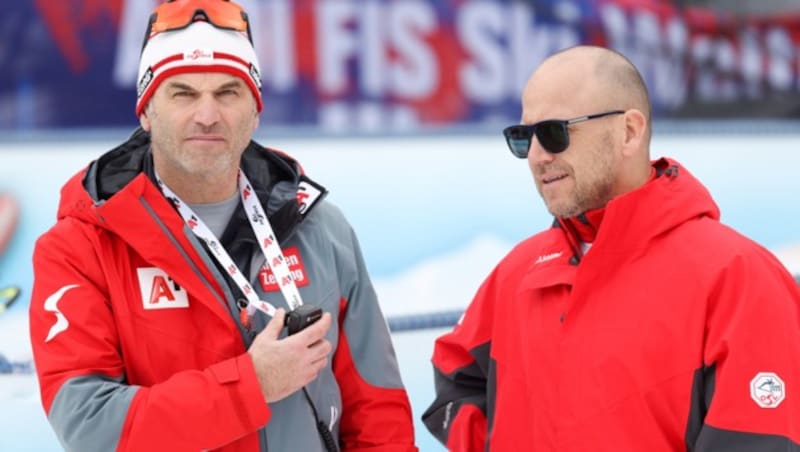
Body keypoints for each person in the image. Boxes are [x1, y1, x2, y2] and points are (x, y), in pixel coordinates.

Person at [28, 1, 417, 451]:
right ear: (146, 112)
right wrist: (248, 387)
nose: (208, 115)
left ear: (255, 111)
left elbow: (378, 409)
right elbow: (88, 426)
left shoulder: (320, 227)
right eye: (183, 94)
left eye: (229, 92)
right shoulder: (81, 246)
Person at [422, 45, 800, 451]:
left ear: (629, 132)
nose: (536, 156)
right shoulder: (518, 273)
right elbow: (454, 381)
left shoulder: (737, 278)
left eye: (554, 133)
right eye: (523, 137)